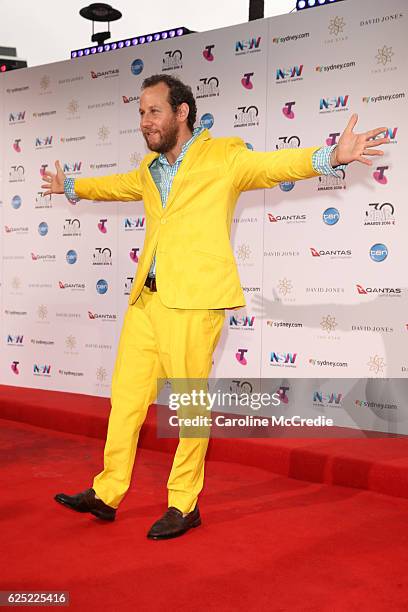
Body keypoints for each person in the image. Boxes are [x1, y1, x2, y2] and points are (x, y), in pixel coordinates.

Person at [41, 74, 389, 540]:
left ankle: (183, 504)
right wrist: (71, 186)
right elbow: (114, 186)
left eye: (153, 111)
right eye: (141, 112)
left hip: (195, 301)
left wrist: (331, 156)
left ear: (181, 112)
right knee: (125, 401)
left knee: (187, 407)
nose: (145, 121)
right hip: (147, 300)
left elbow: (274, 166)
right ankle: (107, 492)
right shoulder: (148, 170)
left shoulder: (222, 155)